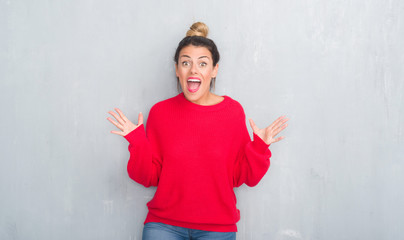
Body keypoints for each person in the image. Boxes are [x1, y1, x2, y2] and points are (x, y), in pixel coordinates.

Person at [107, 22, 288, 240]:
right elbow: (149, 177)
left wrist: (259, 148)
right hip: (164, 225)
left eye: (202, 64)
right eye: (186, 63)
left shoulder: (232, 112)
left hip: (217, 228)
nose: (193, 69)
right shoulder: (160, 112)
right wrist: (137, 143)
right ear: (177, 69)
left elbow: (241, 177)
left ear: (214, 70)